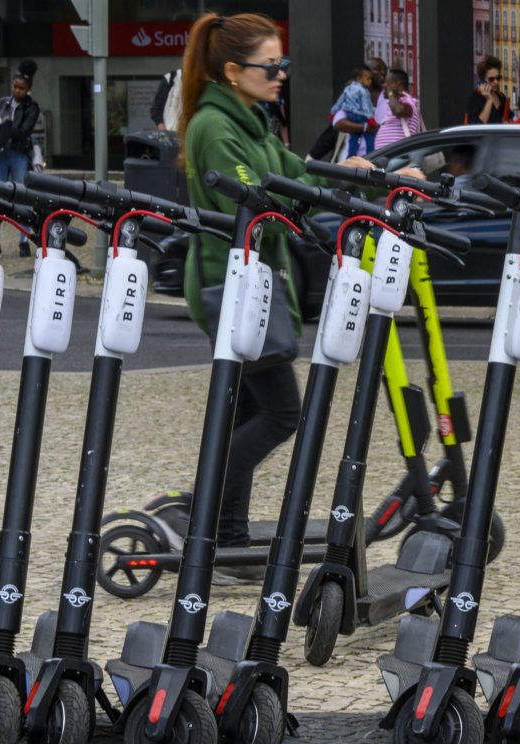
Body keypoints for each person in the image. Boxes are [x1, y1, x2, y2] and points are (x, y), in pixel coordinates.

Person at [177, 12, 419, 576]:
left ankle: (224, 531)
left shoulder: (248, 116)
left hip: (254, 279)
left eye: (283, 63)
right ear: (234, 70)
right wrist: (313, 200)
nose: (281, 73)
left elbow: (289, 168)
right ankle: (204, 513)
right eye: (272, 65)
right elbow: (258, 193)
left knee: (250, 410)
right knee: (284, 411)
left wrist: (348, 173)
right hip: (230, 284)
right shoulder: (215, 127)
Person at [0, 60, 41, 257]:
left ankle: (24, 240)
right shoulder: (3, 102)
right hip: (1, 154)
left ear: (28, 89)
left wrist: (7, 128)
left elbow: (24, 131)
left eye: (22, 88)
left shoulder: (31, 107)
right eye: (15, 86)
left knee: (21, 197)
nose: (17, 91)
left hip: (19, 153)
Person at [329, 65, 377, 159]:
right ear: (359, 78)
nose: (370, 82)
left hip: (351, 115)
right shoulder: (364, 91)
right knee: (370, 136)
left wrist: (333, 112)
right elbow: (366, 106)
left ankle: (351, 155)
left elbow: (340, 101)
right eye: (368, 79)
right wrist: (370, 119)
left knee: (354, 138)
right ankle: (372, 154)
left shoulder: (347, 89)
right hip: (361, 116)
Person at [373, 68, 424, 150]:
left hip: (399, 154)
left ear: (399, 85)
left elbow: (399, 111)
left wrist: (390, 92)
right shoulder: (395, 102)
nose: (384, 86)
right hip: (387, 154)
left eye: (387, 83)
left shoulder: (409, 101)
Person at [464, 55, 509, 125]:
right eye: (491, 79)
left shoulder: (501, 96)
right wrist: (489, 100)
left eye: (498, 78)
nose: (496, 82)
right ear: (482, 81)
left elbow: (510, 117)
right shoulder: (473, 99)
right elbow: (477, 126)